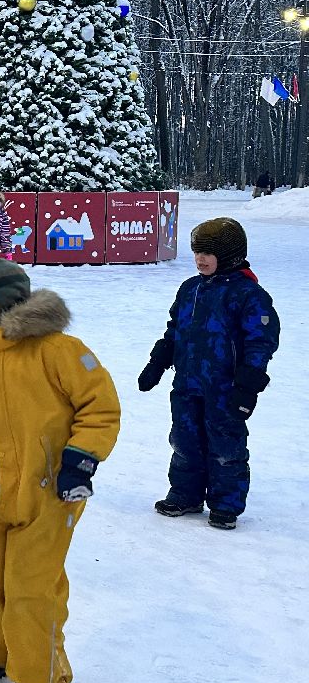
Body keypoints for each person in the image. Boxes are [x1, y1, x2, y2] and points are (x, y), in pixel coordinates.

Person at [0, 258, 121, 683]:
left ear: (3, 300)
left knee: (31, 587)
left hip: (52, 491)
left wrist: (80, 460)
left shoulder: (59, 349)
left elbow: (100, 407)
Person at [137, 217, 279, 529]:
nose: (199, 259)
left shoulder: (248, 295)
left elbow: (261, 342)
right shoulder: (190, 289)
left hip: (225, 387)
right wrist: (157, 362)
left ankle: (225, 504)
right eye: (197, 251)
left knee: (225, 446)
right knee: (184, 440)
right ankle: (185, 495)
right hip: (187, 382)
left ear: (229, 256)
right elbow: (176, 330)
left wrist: (247, 387)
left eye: (208, 253)